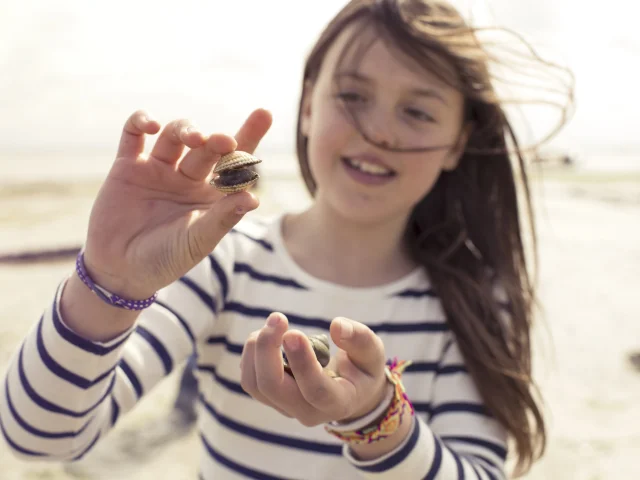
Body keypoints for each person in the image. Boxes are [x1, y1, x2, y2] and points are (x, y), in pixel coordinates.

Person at [0, 0, 572, 478]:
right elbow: (38, 437)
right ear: (307, 106)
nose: (378, 131)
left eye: (418, 111)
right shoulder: (224, 262)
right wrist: (109, 282)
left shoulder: (474, 296)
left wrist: (377, 417)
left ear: (457, 142)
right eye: (352, 96)